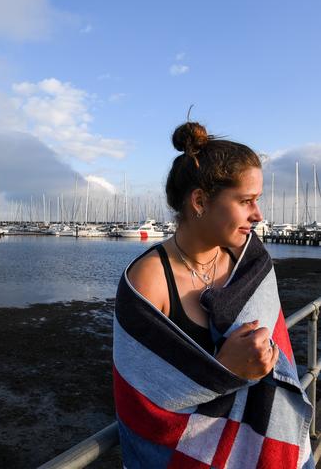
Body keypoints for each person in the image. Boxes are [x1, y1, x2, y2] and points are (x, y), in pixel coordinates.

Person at [113, 121, 313, 468]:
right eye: (246, 201)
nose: (258, 214)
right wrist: (225, 369)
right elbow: (140, 399)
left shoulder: (252, 264)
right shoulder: (149, 279)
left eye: (257, 200)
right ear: (200, 201)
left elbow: (278, 360)